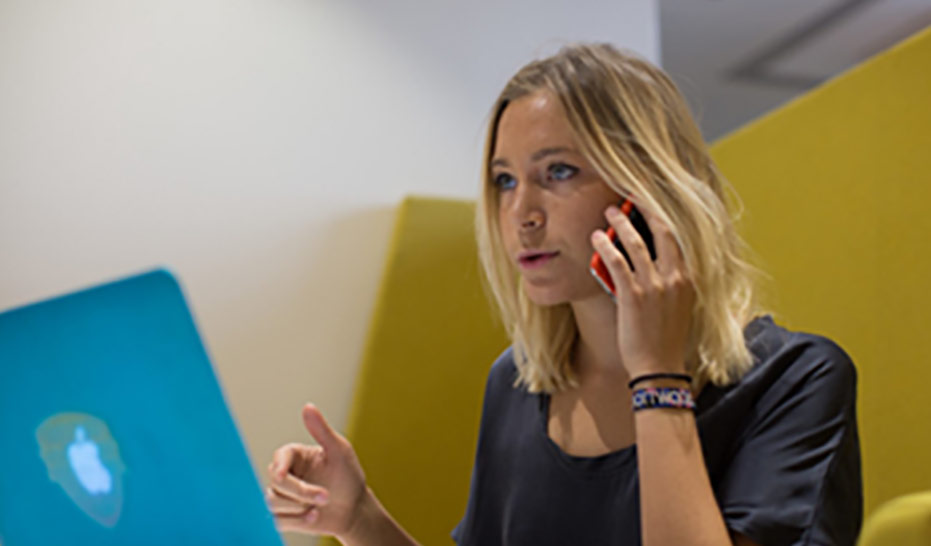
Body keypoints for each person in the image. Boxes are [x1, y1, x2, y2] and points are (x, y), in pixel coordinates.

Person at [264, 43, 862, 545]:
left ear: (649, 188)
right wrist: (358, 517)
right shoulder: (518, 383)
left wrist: (656, 375)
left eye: (558, 172)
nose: (520, 213)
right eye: (504, 181)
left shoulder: (796, 379)